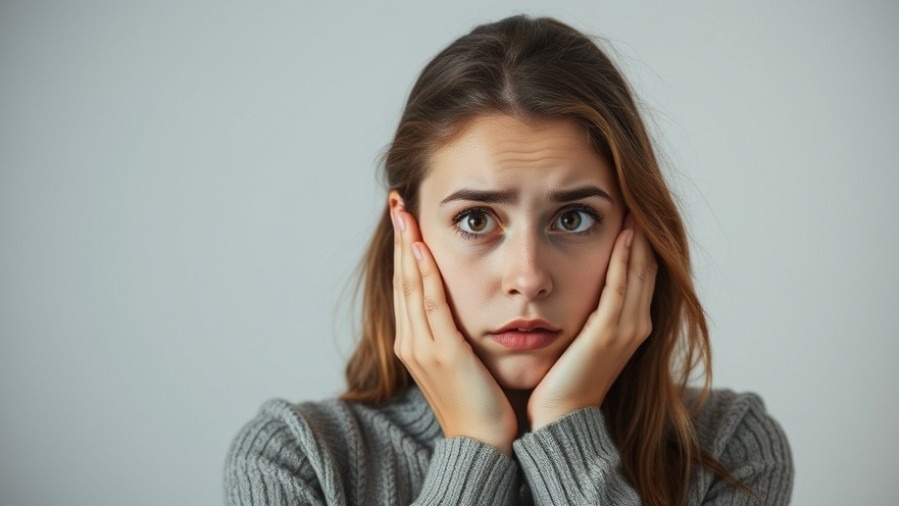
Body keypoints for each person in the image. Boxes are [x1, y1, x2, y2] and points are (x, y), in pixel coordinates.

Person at [224, 15, 793, 505]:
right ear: (407, 230)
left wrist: (568, 425)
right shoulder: (293, 458)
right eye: (476, 220)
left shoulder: (729, 446)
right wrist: (472, 444)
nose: (528, 278)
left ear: (636, 230)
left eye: (573, 218)